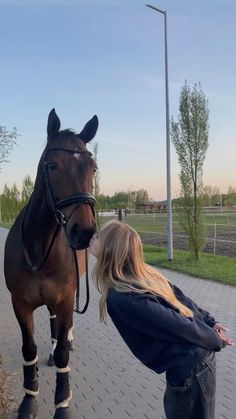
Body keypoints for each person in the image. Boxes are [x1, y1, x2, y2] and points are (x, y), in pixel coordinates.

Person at [88, 220, 233, 419]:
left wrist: (213, 335)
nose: (91, 237)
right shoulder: (136, 277)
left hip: (191, 370)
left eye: (97, 236)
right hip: (193, 365)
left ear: (109, 248)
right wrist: (209, 324)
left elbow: (178, 322)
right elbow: (180, 300)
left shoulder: (123, 296)